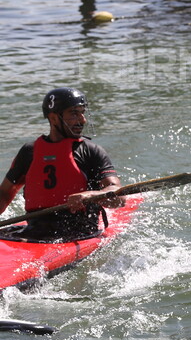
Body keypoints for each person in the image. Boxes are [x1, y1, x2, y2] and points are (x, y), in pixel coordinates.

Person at [0, 88, 122, 241]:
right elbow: (4, 194)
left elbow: (119, 197)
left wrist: (91, 195)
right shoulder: (29, 152)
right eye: (74, 113)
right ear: (54, 118)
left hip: (79, 232)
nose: (82, 120)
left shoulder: (91, 152)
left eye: (82, 112)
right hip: (36, 231)